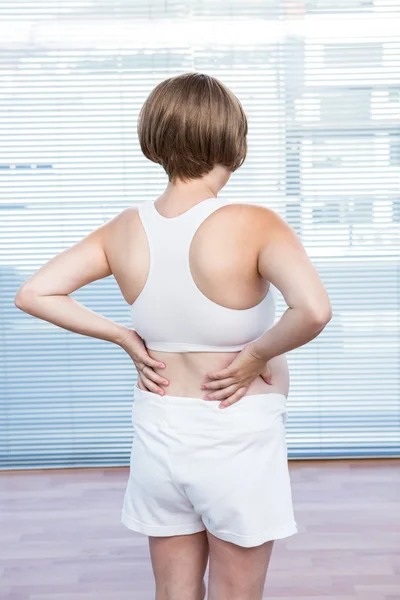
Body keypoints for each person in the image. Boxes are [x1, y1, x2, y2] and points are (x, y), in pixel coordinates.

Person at [14, 72, 332, 600]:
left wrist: (124, 336)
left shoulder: (123, 229)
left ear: (155, 139)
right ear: (233, 139)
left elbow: (35, 293)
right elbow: (314, 310)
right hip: (235, 436)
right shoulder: (254, 223)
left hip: (159, 432)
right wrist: (257, 354)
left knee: (174, 593)